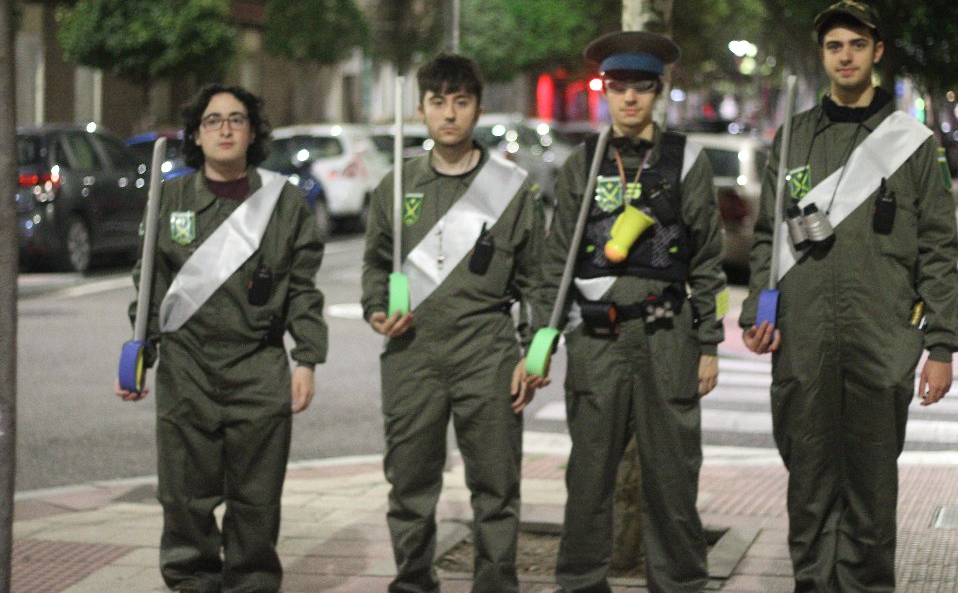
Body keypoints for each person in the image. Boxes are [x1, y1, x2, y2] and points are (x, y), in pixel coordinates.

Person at [740, 0, 958, 592]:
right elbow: (767, 236)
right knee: (808, 482)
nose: (846, 56)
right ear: (822, 55)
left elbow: (939, 248)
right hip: (803, 338)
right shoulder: (793, 138)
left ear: (877, 52)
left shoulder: (914, 143)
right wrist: (758, 309)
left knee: (871, 489)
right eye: (835, 46)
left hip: (882, 337)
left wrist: (941, 345)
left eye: (857, 45)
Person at [536, 31, 727, 593]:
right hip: (596, 343)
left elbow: (709, 260)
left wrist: (710, 343)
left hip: (668, 338)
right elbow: (556, 261)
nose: (629, 99)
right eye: (618, 87)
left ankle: (681, 584)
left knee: (673, 478)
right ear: (605, 91)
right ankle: (580, 582)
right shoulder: (583, 163)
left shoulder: (686, 161)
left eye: (641, 88)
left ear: (657, 93)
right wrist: (540, 343)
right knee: (588, 476)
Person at [117, 84, 328, 592]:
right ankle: (191, 581)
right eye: (213, 121)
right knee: (183, 496)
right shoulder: (170, 199)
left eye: (237, 119)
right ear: (196, 135)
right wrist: (140, 355)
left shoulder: (284, 203)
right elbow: (150, 285)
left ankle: (251, 583)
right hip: (186, 368)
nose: (226, 129)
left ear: (253, 133)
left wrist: (306, 359)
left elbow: (303, 289)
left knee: (257, 499)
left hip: (258, 367)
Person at [361, 53, 546, 593]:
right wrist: (377, 306)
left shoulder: (511, 189)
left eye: (461, 102)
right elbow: (376, 263)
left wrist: (534, 356)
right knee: (409, 483)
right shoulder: (396, 185)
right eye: (438, 102)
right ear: (421, 110)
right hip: (411, 352)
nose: (449, 114)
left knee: (496, 485)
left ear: (477, 110)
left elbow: (538, 282)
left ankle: (495, 584)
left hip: (487, 351)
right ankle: (413, 581)